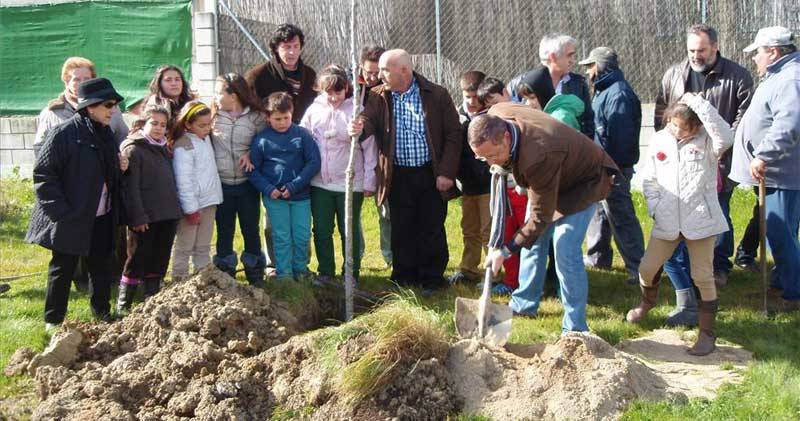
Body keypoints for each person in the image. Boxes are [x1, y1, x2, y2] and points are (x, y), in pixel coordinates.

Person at [470, 102, 618, 333]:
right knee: (533, 244)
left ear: (506, 138)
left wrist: (505, 251)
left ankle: (575, 327)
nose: (490, 163)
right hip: (550, 178)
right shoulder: (496, 114)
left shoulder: (537, 156)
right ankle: (524, 304)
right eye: (483, 158)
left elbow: (539, 218)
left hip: (584, 182)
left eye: (493, 155)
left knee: (565, 248)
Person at [627, 93, 733, 356]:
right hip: (667, 219)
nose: (676, 131)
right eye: (673, 124)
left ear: (696, 126)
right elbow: (649, 178)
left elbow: (727, 136)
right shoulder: (660, 138)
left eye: (683, 127)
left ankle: (706, 334)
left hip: (701, 220)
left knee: (702, 276)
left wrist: (699, 103)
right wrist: (654, 206)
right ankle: (646, 303)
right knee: (647, 268)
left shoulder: (708, 140)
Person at [348, 49, 461, 295]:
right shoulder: (379, 95)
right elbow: (369, 119)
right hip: (397, 174)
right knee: (401, 227)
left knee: (431, 226)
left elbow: (454, 134)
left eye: (385, 70)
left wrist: (446, 172)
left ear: (404, 70)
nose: (379, 75)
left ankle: (431, 279)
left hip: (430, 173)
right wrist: (360, 127)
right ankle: (404, 277)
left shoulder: (436, 95)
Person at [655, 24, 754, 288]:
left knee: (717, 213)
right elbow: (661, 113)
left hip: (719, 160)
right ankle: (685, 268)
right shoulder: (674, 75)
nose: (695, 56)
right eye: (691, 50)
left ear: (715, 47)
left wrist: (720, 149)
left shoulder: (737, 77)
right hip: (681, 161)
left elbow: (743, 120)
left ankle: (719, 266)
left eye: (701, 50)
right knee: (682, 214)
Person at [26, 78, 126, 330]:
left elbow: (105, 174)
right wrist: (61, 213)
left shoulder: (106, 134)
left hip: (102, 215)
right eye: (108, 104)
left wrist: (120, 168)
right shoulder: (63, 134)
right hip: (71, 216)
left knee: (101, 266)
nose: (113, 109)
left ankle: (102, 314)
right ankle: (53, 321)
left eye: (115, 104)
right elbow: (43, 175)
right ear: (90, 107)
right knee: (63, 269)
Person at [730, 26, 800, 314]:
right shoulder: (780, 75)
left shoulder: (790, 79)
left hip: (782, 173)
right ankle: (781, 284)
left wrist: (763, 156)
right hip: (776, 173)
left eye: (757, 52)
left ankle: (794, 293)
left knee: (781, 234)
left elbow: (789, 125)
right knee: (780, 232)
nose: (754, 58)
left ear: (773, 52)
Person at [301, 65, 377, 284]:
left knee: (349, 230)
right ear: (320, 89)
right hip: (320, 182)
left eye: (338, 91)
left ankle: (351, 273)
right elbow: (303, 138)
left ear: (346, 88)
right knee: (322, 229)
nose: (334, 97)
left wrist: (369, 181)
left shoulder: (356, 111)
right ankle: (326, 272)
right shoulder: (314, 110)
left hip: (350, 183)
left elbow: (370, 147)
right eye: (329, 92)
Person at [579, 47, 645, 285]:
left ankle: (639, 268)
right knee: (599, 213)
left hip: (614, 168)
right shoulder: (604, 90)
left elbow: (621, 139)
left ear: (600, 66)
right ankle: (598, 257)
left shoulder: (618, 94)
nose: (588, 71)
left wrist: (611, 170)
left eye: (590, 66)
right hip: (601, 165)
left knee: (621, 216)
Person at [116, 106, 182, 315]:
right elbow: (131, 187)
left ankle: (151, 299)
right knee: (137, 259)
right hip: (145, 216)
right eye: (154, 123)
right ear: (142, 123)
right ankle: (124, 303)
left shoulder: (165, 148)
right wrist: (137, 216)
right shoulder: (134, 149)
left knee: (160, 259)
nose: (158, 128)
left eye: (163, 125)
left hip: (167, 214)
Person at [249, 92, 321, 281]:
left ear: (292, 113)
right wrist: (268, 189)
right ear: (268, 117)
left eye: (286, 118)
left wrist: (295, 185)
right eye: (277, 119)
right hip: (275, 198)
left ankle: (300, 270)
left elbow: (314, 162)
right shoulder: (261, 140)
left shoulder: (302, 135)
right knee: (281, 236)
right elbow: (252, 170)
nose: (282, 123)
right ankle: (284, 274)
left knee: (302, 235)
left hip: (300, 197)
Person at [210, 73, 270, 287]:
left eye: (218, 92)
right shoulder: (213, 116)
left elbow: (266, 142)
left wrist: (252, 154)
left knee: (250, 228)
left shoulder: (256, 117)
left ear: (233, 95)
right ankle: (225, 273)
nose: (215, 97)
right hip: (222, 184)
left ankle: (255, 272)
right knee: (224, 230)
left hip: (247, 185)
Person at [477, 78, 526, 296]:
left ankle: (529, 284)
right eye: (489, 106)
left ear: (505, 93)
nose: (494, 108)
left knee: (527, 237)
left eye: (495, 101)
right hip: (503, 190)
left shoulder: (522, 117)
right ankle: (511, 280)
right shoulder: (491, 123)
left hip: (523, 190)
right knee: (505, 235)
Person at [169, 101, 223, 281]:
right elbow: (183, 180)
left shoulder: (205, 138)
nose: (207, 128)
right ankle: (179, 278)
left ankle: (203, 277)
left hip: (209, 201)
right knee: (185, 245)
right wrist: (191, 209)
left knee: (203, 245)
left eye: (209, 124)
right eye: (202, 125)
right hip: (192, 205)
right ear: (188, 124)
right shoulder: (184, 145)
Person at [449, 70, 492, 285]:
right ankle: (468, 270)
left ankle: (494, 273)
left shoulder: (492, 116)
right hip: (467, 185)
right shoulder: (458, 116)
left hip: (488, 186)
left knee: (488, 231)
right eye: (468, 97)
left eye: (476, 97)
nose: (472, 102)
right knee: (469, 229)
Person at [507, 34, 594, 139]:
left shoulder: (578, 83)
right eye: (569, 55)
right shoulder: (520, 85)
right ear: (553, 57)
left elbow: (587, 121)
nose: (573, 60)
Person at [359, 45, 392, 268]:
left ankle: (390, 255)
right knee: (353, 211)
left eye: (376, 73)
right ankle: (356, 254)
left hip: (382, 154)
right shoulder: (352, 87)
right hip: (357, 152)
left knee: (386, 210)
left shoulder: (389, 88)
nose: (372, 77)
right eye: (367, 72)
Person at [245, 23, 317, 123]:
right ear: (276, 48)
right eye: (287, 47)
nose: (292, 52)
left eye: (296, 46)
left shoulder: (310, 75)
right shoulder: (257, 76)